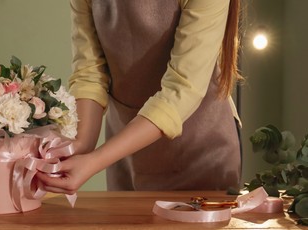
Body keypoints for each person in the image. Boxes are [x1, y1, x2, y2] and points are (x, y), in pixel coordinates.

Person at [37, 0, 242, 194]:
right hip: (124, 154)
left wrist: (95, 161)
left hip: (199, 151)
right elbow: (89, 73)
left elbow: (182, 90)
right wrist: (80, 145)